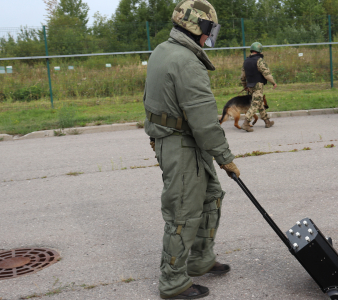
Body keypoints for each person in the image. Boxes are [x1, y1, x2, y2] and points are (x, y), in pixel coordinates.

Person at [143, 0, 240, 299]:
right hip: (181, 144)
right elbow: (205, 122)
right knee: (182, 214)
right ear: (198, 28)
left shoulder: (162, 50)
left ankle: (199, 259)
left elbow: (151, 100)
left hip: (181, 140)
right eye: (210, 29)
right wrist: (226, 159)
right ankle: (172, 282)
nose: (210, 36)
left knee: (210, 197)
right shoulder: (186, 61)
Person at [240, 42, 277, 132]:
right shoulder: (259, 60)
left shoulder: (246, 61)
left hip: (250, 85)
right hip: (258, 85)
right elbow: (266, 73)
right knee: (255, 103)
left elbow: (243, 76)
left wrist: (245, 86)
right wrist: (273, 82)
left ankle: (267, 121)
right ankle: (246, 123)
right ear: (259, 50)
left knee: (259, 102)